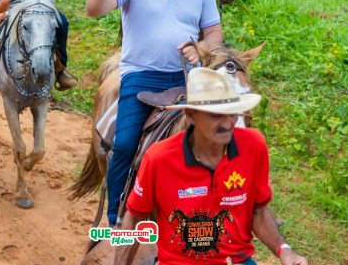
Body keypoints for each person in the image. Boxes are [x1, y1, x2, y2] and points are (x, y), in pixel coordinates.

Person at [86, 0, 223, 226]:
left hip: (188, 77)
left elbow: (214, 33)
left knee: (225, 131)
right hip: (142, 76)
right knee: (124, 143)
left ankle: (232, 203)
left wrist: (202, 48)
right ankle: (117, 212)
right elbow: (94, 10)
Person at [114, 67, 309, 265]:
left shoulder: (254, 145)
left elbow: (258, 211)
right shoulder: (159, 158)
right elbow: (134, 218)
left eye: (232, 112)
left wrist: (285, 251)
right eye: (216, 115)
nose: (228, 123)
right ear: (191, 116)